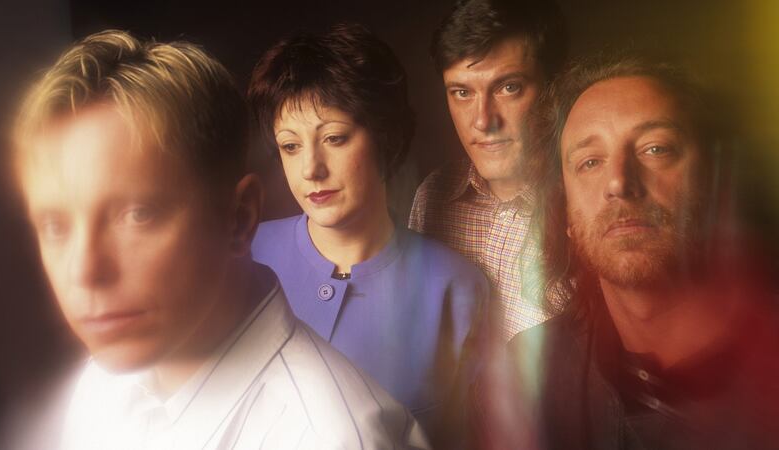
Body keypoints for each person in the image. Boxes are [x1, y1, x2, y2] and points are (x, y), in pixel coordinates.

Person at [8, 29, 429, 450]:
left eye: (137, 214)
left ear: (239, 218)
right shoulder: (96, 387)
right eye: (56, 225)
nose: (84, 271)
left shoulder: (329, 438)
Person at [477, 55, 779, 449]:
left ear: (717, 182)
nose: (619, 181)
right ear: (564, 213)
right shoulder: (528, 376)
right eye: (589, 162)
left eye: (656, 149)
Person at [248, 23, 488, 446]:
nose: (311, 169)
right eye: (290, 146)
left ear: (385, 138)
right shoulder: (244, 255)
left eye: (335, 138)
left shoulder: (458, 289)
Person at [409, 0, 568, 340]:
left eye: (508, 87)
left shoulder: (586, 209)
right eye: (462, 92)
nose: (482, 120)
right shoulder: (432, 195)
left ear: (553, 89)